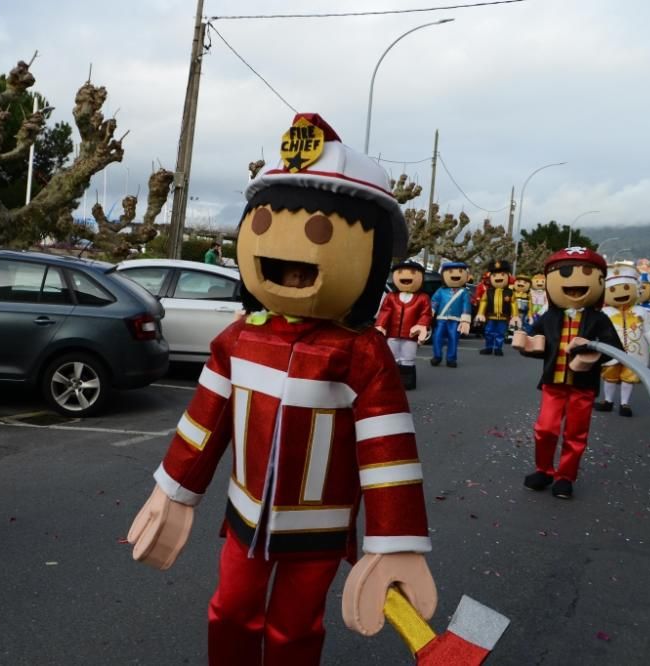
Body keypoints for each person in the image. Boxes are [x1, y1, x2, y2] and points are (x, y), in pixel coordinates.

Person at [128, 113, 435, 665]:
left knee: (295, 629)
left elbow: (388, 456)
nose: (290, 269)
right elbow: (203, 423)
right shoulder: (239, 339)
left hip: (316, 531)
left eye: (320, 232)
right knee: (229, 611)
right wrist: (171, 492)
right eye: (265, 222)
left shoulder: (362, 354)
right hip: (243, 520)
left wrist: (395, 544)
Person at [512, 247, 623, 500]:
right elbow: (534, 339)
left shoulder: (599, 319)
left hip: (583, 386)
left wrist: (590, 351)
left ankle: (565, 476)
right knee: (546, 428)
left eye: (585, 273)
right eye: (564, 273)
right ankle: (544, 469)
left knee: (575, 433)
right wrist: (526, 345)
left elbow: (614, 349)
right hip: (553, 383)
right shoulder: (549, 316)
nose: (574, 285)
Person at [596, 263, 650, 417]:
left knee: (629, 378)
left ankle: (625, 404)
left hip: (635, 355)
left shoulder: (641, 312)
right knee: (610, 376)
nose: (619, 293)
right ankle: (608, 401)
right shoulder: (604, 312)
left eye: (626, 288)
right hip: (611, 353)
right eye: (612, 289)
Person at [376, 259, 432, 390]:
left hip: (410, 335)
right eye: (400, 272)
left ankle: (407, 381)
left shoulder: (423, 298)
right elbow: (385, 311)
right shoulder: (391, 296)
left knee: (408, 357)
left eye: (413, 272)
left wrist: (421, 325)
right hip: (392, 334)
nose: (406, 276)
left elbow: (426, 314)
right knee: (391, 357)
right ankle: (390, 380)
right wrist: (380, 325)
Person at [430, 261, 472, 367]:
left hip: (455, 320)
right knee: (437, 337)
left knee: (453, 338)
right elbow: (434, 301)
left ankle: (451, 358)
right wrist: (431, 311)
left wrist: (465, 320)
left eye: (460, 271)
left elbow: (466, 306)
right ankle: (437, 356)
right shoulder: (440, 291)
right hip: (441, 318)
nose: (456, 274)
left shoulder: (464, 292)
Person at [475, 259, 521, 356]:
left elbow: (513, 304)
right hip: (491, 316)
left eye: (502, 275)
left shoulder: (510, 292)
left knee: (500, 333)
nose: (498, 277)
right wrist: (480, 313)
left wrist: (515, 316)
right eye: (494, 275)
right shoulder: (488, 292)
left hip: (503, 317)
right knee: (488, 332)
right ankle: (489, 347)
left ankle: (498, 348)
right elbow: (483, 302)